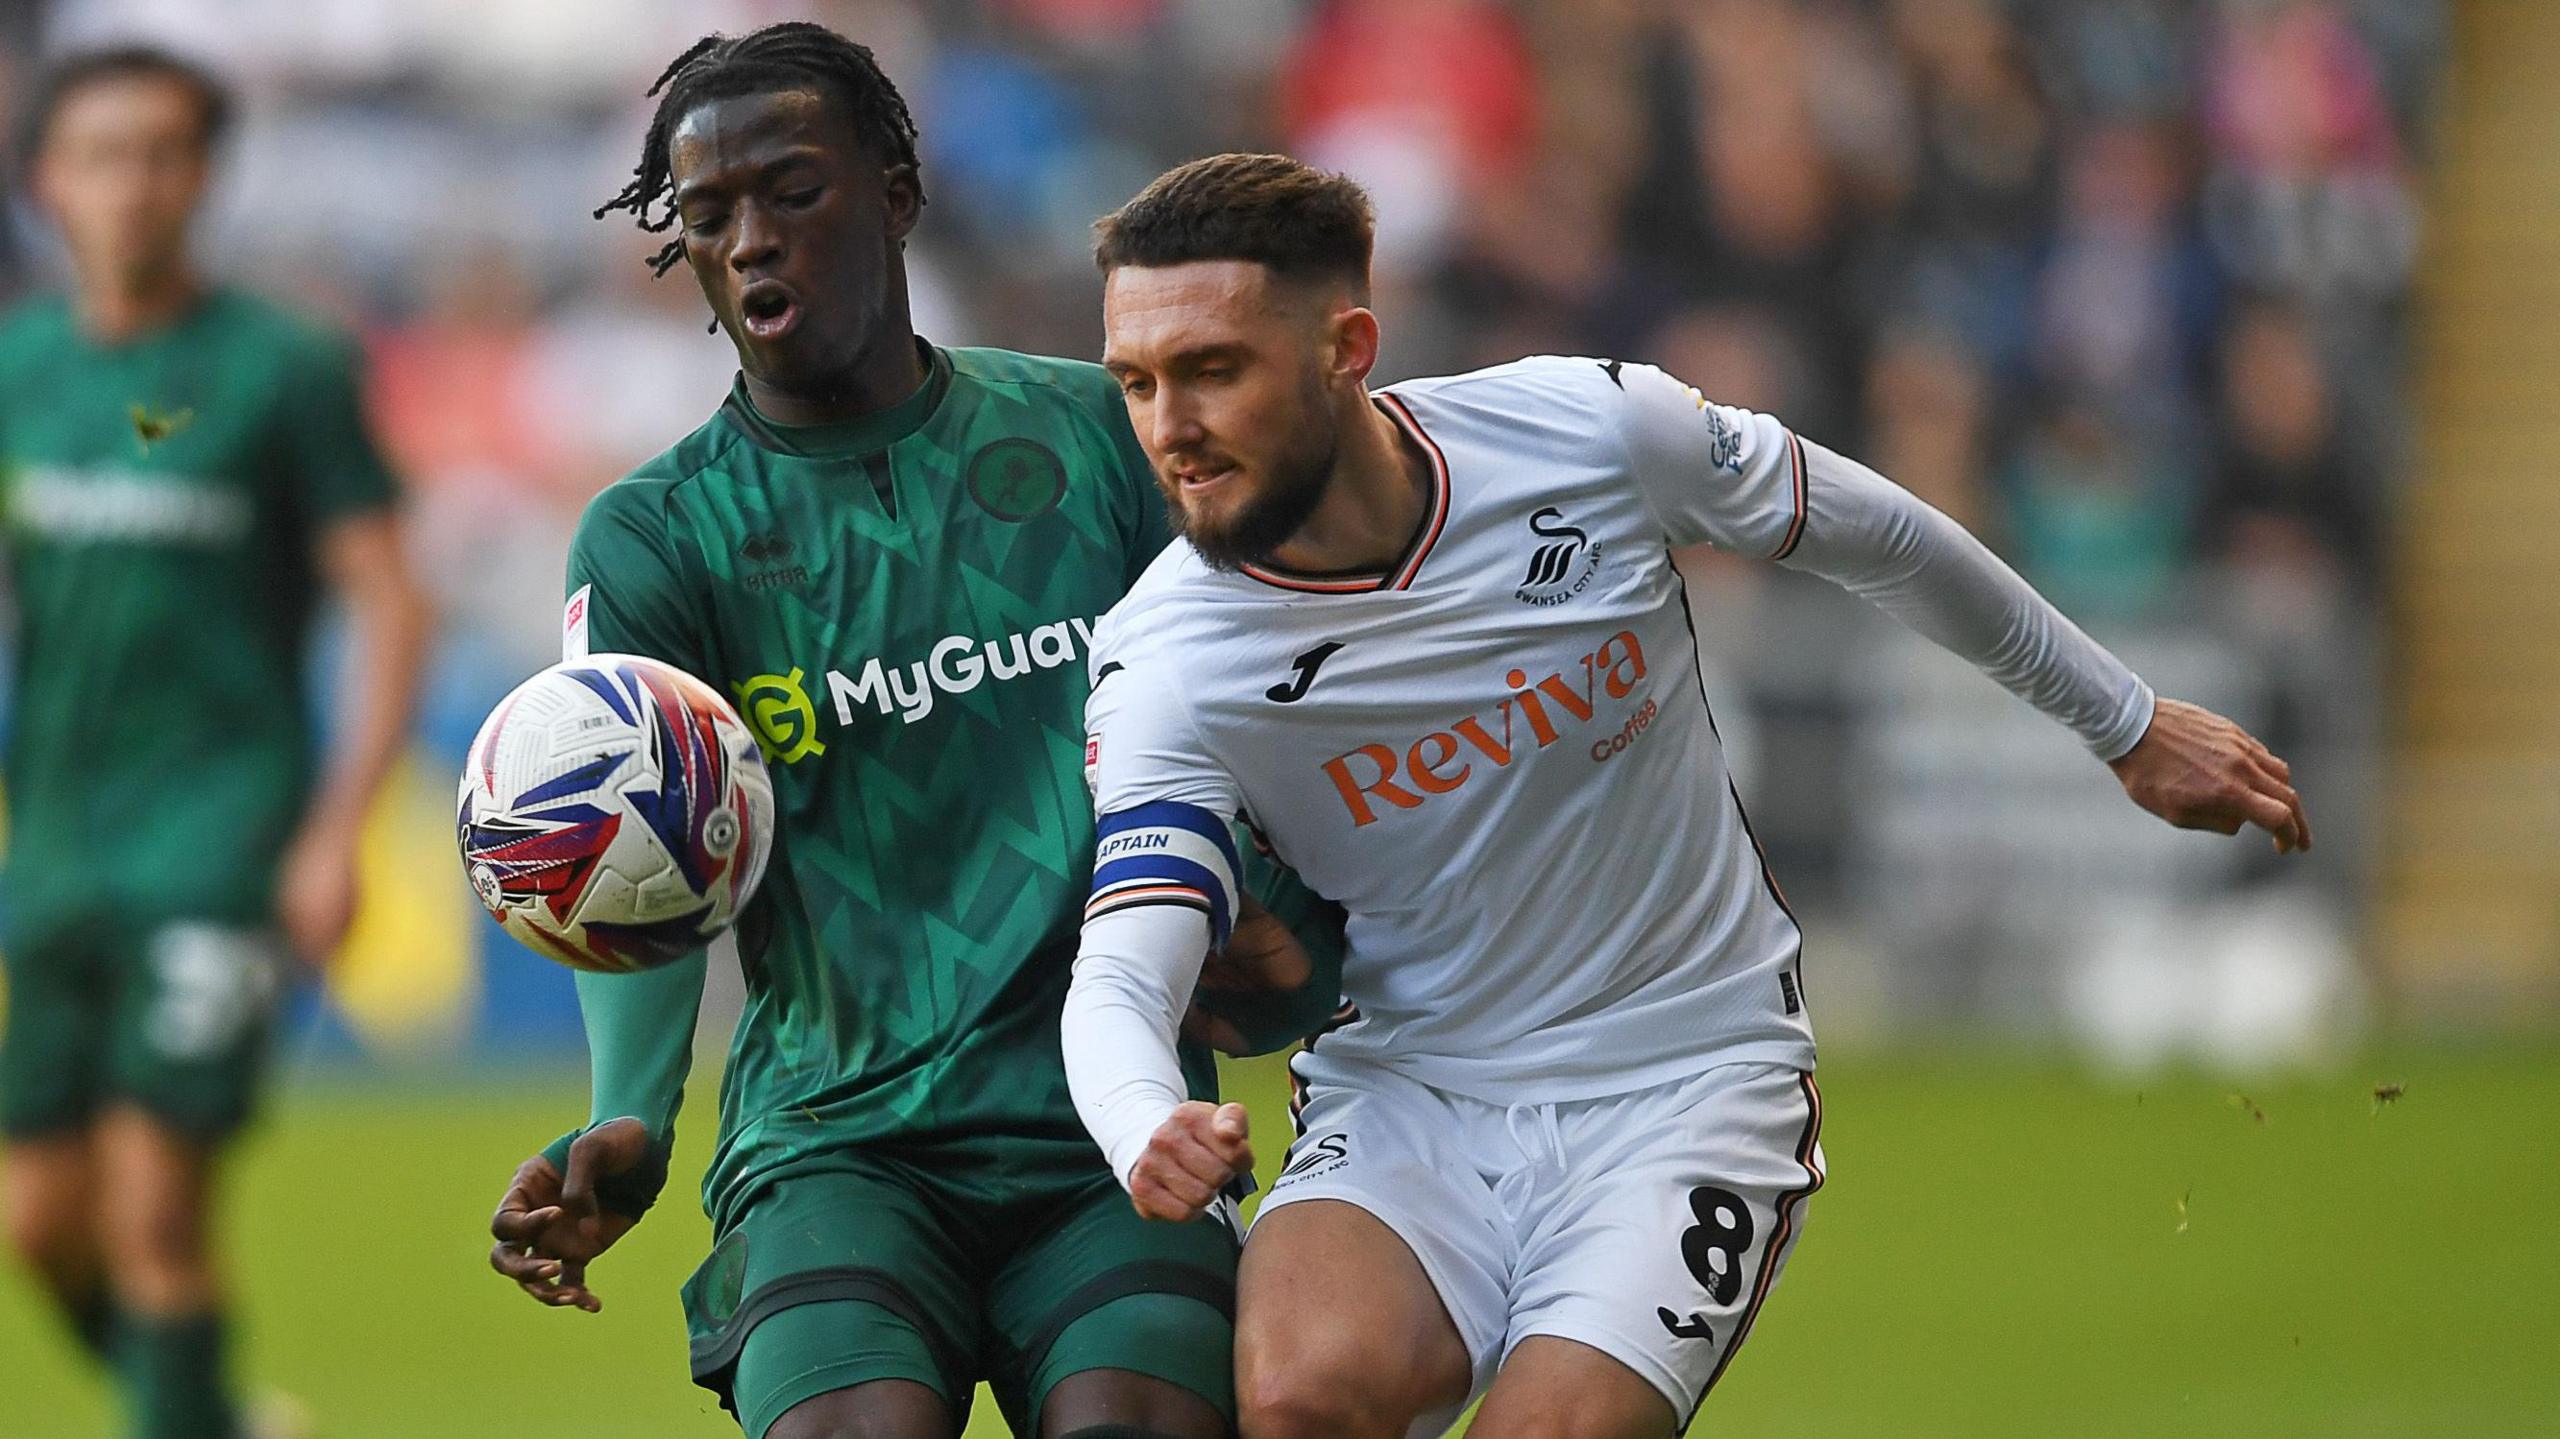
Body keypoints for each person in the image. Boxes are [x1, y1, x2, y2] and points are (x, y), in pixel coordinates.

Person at [1063, 154, 2312, 1439]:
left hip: (1690, 1070)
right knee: (1298, 1393)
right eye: (1139, 383)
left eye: (1213, 368)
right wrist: (1141, 1119)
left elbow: (1877, 536)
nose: (1171, 425)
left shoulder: (1587, 431)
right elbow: (1121, 964)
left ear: (1348, 348)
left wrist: (2124, 719)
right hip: (1410, 1087)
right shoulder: (1169, 659)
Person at [482, 27, 1337, 1439]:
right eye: (709, 216)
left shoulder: (1098, 442)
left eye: (793, 193)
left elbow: (1262, 734)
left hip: (1104, 1130)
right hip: (837, 1142)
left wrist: (1295, 949)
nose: (751, 242)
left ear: (894, 193)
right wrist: (627, 1117)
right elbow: (640, 849)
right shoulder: (656, 536)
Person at [0, 45, 431, 1439]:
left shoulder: (282, 368)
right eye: (103, 153)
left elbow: (391, 599)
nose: (134, 183)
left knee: (155, 1210)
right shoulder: (20, 372)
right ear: (45, 179)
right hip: (58, 841)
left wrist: (335, 827)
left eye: (163, 152)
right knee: (32, 1220)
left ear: (204, 175)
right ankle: (211, 1416)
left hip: (218, 838)